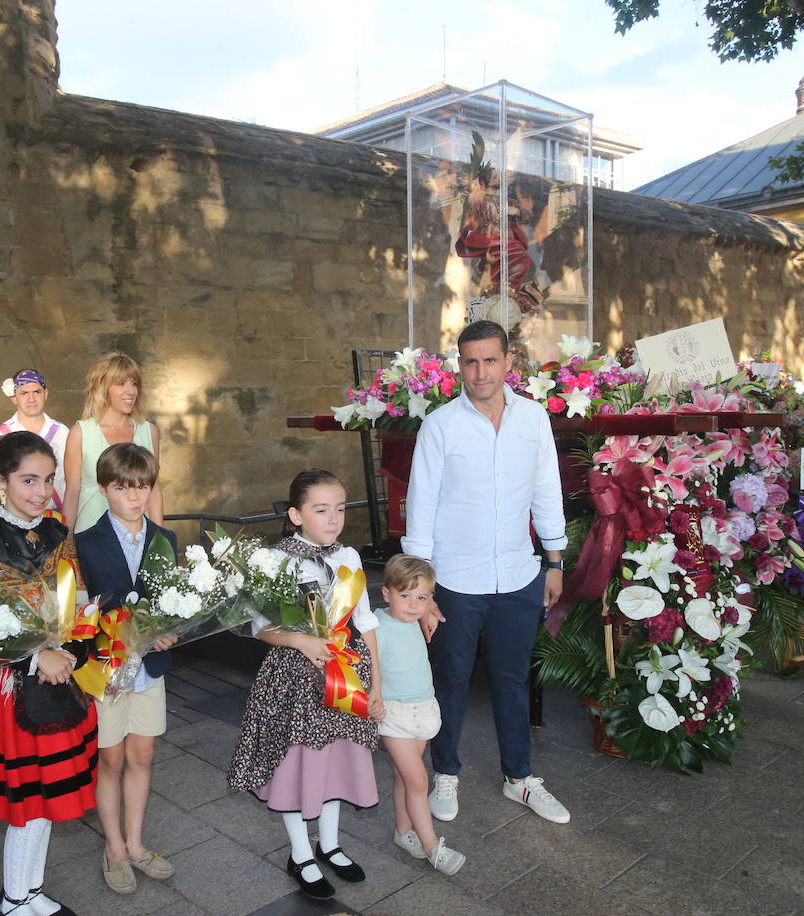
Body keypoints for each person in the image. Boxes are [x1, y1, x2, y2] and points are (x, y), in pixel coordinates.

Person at [403, 319, 571, 825]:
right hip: (455, 581)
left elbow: (547, 491)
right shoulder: (440, 426)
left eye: (490, 360)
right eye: (471, 361)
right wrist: (422, 589)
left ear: (509, 363)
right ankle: (446, 774)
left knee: (513, 679)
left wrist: (555, 561)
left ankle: (519, 778)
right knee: (450, 680)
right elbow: (421, 509)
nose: (481, 371)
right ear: (460, 365)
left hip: (520, 576)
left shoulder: (534, 420)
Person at [0, 431, 96, 916]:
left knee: (47, 799)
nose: (41, 492)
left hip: (60, 681)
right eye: (28, 480)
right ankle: (14, 900)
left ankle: (30, 891)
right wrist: (35, 657)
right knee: (28, 803)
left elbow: (76, 603)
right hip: (9, 688)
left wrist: (75, 648)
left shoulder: (59, 534)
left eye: (49, 480)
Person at [228, 469, 384, 901]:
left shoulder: (348, 556)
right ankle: (301, 854)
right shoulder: (277, 560)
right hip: (295, 679)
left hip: (346, 672)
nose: (333, 519)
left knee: (335, 759)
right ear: (296, 514)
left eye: (339, 509)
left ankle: (329, 844)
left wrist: (377, 685)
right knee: (298, 765)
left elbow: (366, 620)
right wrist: (299, 639)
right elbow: (260, 626)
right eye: (321, 510)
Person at [75, 443, 178, 895]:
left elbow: (175, 600)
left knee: (143, 756)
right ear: (103, 489)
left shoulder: (165, 540)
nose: (134, 498)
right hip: (107, 669)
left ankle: (136, 843)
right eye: (123, 488)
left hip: (150, 667)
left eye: (142, 488)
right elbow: (80, 612)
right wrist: (116, 620)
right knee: (111, 758)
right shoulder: (84, 543)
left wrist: (170, 627)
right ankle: (113, 847)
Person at [374, 554, 465, 875]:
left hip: (423, 708)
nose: (413, 605)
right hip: (394, 714)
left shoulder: (414, 620)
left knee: (403, 776)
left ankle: (403, 831)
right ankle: (431, 846)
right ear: (386, 594)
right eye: (405, 596)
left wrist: (427, 611)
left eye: (422, 597)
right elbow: (369, 668)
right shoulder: (379, 628)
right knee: (418, 779)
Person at [62, 353, 162, 533]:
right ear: (103, 387)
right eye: (121, 383)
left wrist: (160, 542)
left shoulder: (149, 432)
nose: (131, 391)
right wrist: (64, 545)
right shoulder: (80, 433)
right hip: (90, 537)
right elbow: (72, 493)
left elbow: (154, 491)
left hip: (136, 538)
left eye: (134, 383)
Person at [0, 369, 70, 510]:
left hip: (57, 515)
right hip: (18, 516)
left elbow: (73, 478)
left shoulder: (63, 432)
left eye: (37, 392)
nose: (31, 399)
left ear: (46, 394)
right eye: (24, 393)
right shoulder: (0, 434)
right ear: (14, 398)